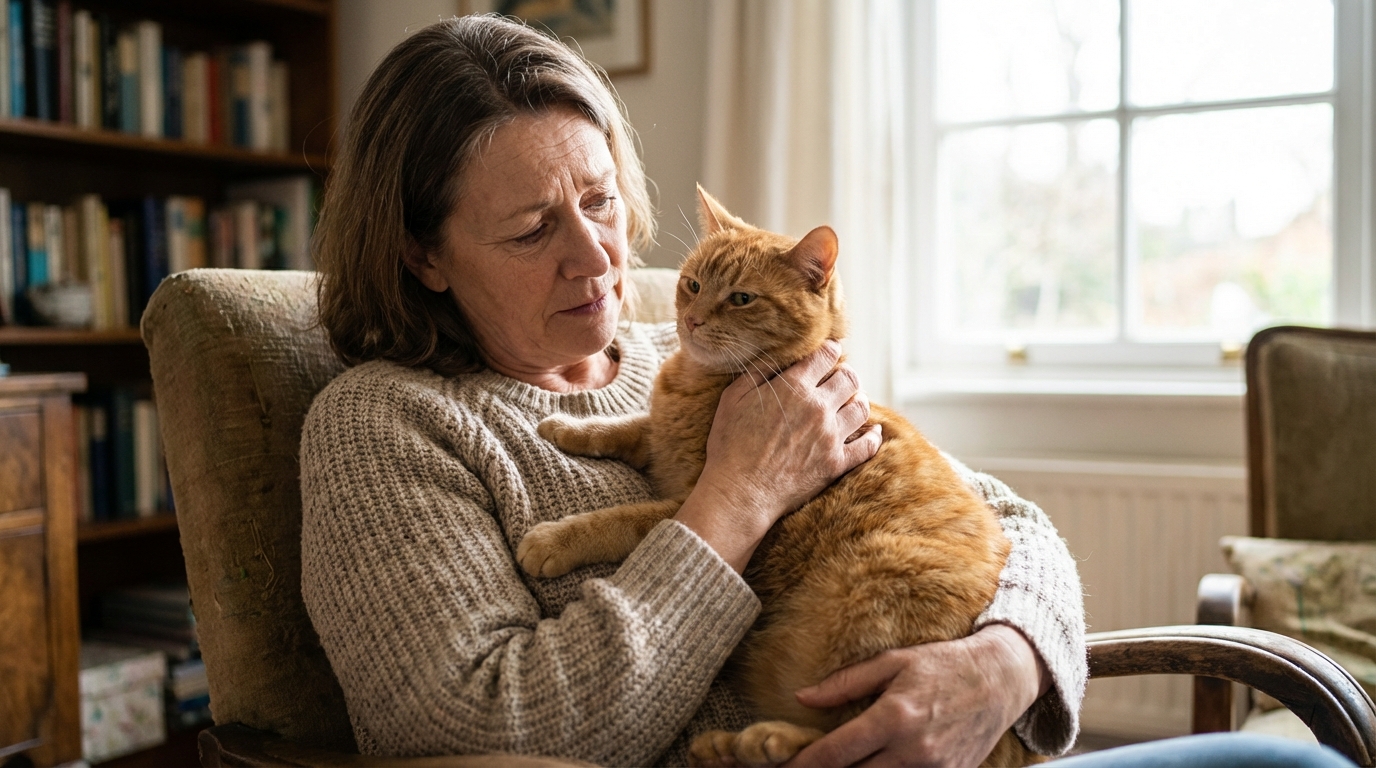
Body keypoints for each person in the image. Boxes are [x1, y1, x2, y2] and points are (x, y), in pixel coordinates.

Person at [297, 14, 1353, 768]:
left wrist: (1001, 663)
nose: (600, 260)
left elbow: (1001, 519)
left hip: (955, 737)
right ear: (421, 256)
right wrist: (733, 500)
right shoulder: (387, 426)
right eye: (533, 230)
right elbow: (489, 727)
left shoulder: (705, 345)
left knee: (1297, 765)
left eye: (602, 203)